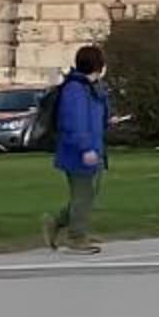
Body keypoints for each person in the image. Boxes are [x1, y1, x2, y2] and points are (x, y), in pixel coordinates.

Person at [43, 43, 114, 253]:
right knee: (83, 195)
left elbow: (94, 118)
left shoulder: (92, 89)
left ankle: (58, 223)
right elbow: (73, 122)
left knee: (88, 194)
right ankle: (76, 237)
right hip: (79, 151)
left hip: (92, 147)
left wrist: (108, 120)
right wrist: (85, 149)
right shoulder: (75, 89)